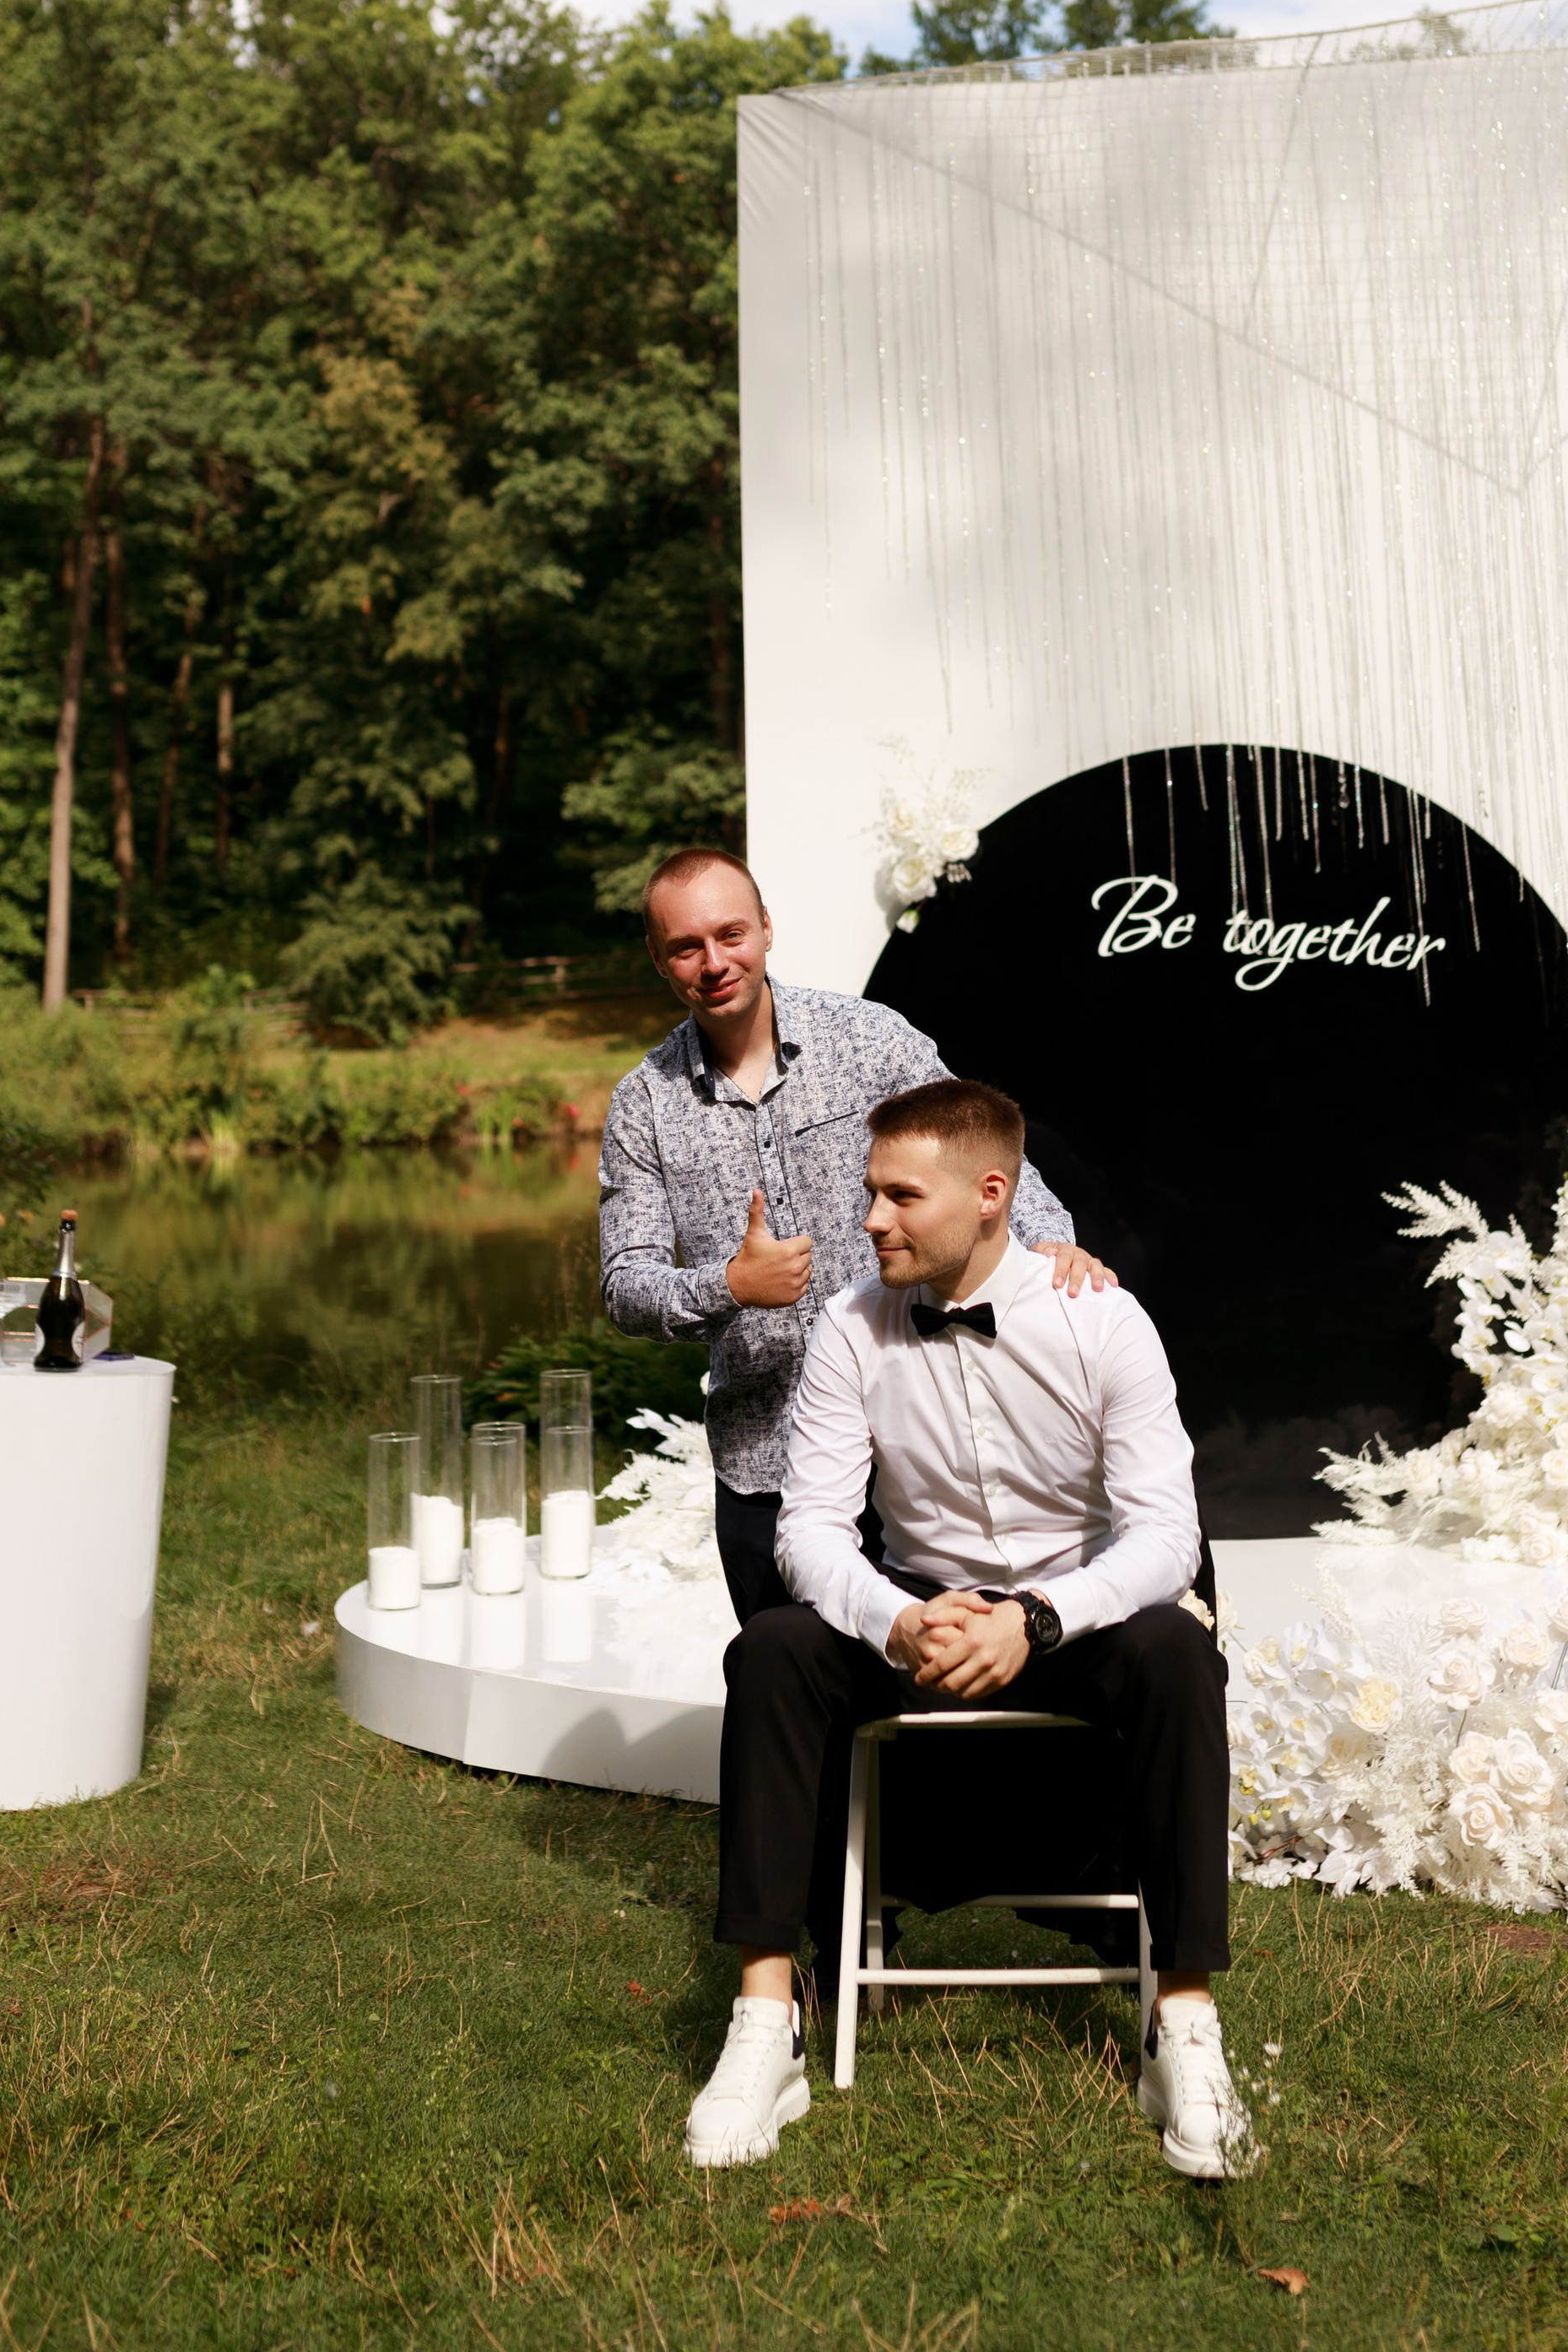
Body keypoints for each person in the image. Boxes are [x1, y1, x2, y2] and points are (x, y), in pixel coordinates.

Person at [685, 1076, 1248, 2181]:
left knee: (1179, 1649)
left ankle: (1180, 2022)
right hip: (925, 1621)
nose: (870, 1220)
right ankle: (768, 2022)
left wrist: (1039, 1619)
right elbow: (807, 1532)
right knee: (775, 1650)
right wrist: (895, 1623)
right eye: (869, 1192)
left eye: (901, 1196)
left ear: (992, 1196)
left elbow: (1165, 1538)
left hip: (1075, 1622)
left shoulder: (1104, 1321)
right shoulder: (851, 1327)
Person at [598, 847, 1116, 1626]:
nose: (714, 962)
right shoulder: (643, 1104)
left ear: (766, 928)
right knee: (796, 1689)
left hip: (922, 1448)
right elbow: (624, 1285)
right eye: (686, 946)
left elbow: (983, 1154)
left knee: (940, 1698)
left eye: (731, 934)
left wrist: (1051, 1245)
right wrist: (729, 1286)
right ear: (659, 959)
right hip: (766, 1463)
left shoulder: (869, 1040)